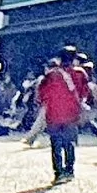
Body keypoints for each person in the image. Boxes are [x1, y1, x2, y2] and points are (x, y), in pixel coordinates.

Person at [33, 54, 88, 184]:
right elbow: (74, 94)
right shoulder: (66, 77)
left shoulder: (46, 79)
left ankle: (59, 172)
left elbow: (40, 97)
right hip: (69, 115)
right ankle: (69, 169)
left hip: (53, 116)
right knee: (69, 143)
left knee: (56, 144)